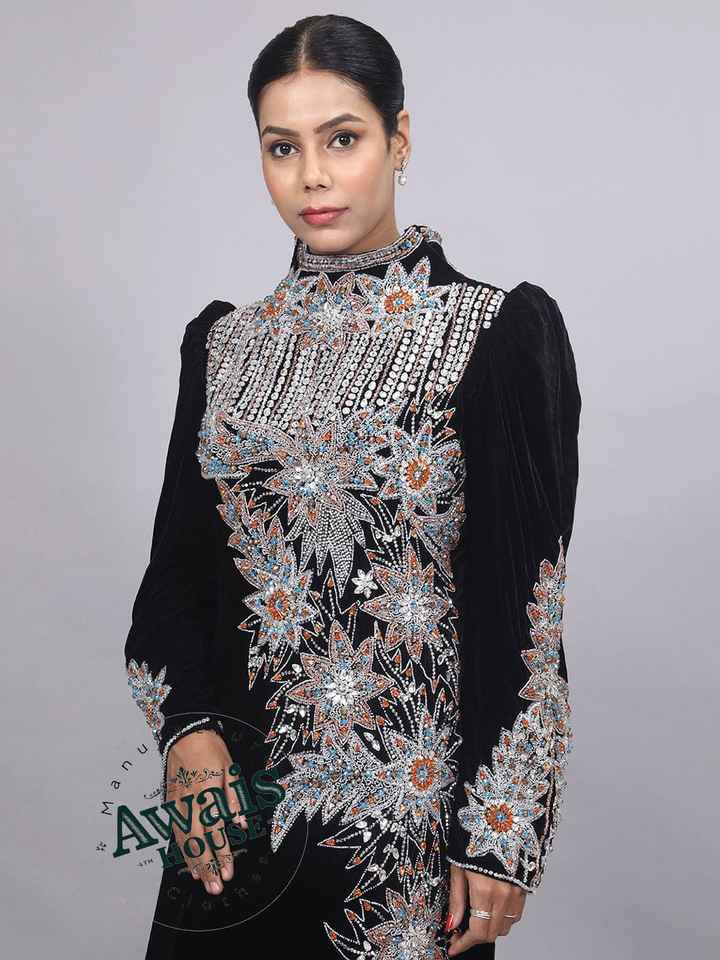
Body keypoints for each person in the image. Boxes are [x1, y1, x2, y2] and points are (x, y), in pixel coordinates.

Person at [123, 14, 581, 959]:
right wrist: (188, 735)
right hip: (231, 822)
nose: (312, 177)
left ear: (398, 138)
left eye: (342, 139)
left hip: (403, 836)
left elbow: (525, 604)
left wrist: (500, 831)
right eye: (281, 148)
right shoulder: (224, 347)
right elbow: (176, 578)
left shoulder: (493, 335)